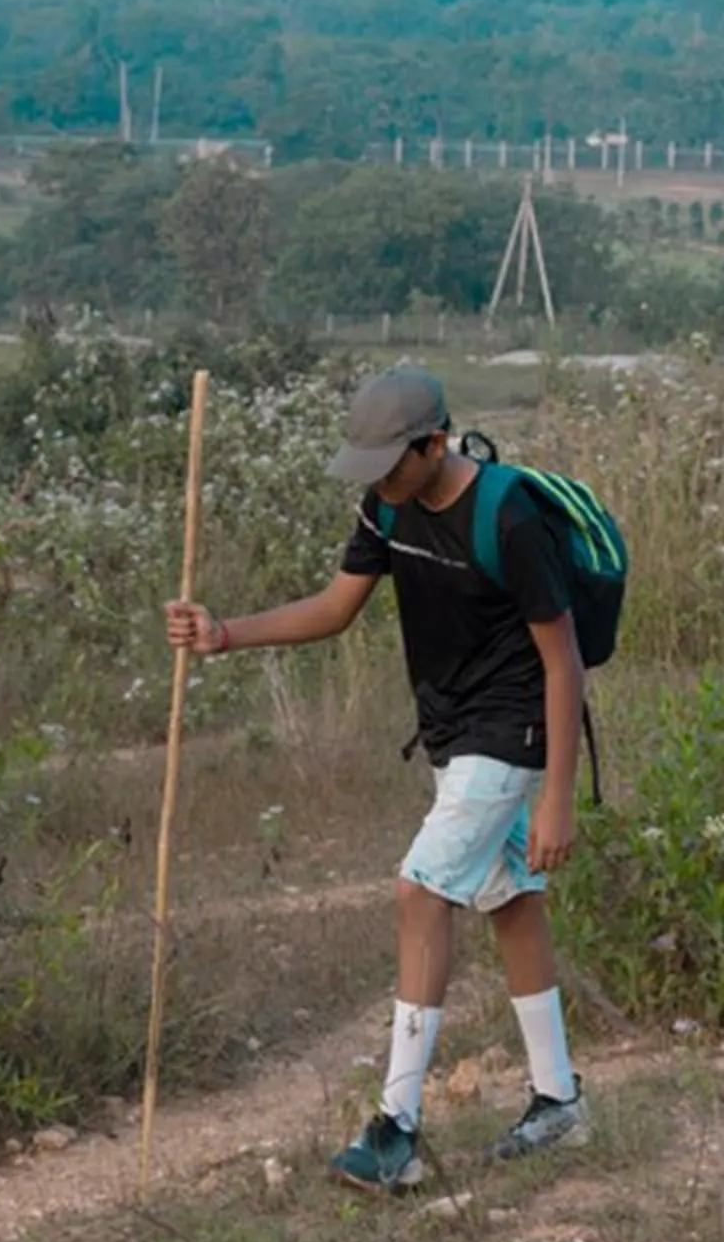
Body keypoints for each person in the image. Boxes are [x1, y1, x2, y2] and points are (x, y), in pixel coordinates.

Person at [166, 363, 590, 1191]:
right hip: (450, 729)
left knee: (419, 891)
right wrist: (225, 635)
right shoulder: (385, 505)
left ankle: (395, 1127)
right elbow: (334, 607)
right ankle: (559, 1103)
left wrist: (560, 798)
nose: (380, 485)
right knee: (509, 899)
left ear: (436, 443)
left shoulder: (509, 515)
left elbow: (563, 660)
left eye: (392, 464)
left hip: (513, 728)